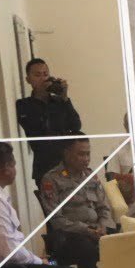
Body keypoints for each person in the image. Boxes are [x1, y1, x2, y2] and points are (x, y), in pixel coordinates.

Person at [39, 135, 114, 268]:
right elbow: (56, 219)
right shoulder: (52, 179)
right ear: (66, 153)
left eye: (88, 154)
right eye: (81, 154)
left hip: (97, 231)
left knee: (128, 240)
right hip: (68, 236)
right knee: (86, 248)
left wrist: (103, 227)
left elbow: (104, 207)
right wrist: (87, 230)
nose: (86, 159)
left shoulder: (91, 176)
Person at [15, 57, 82, 188]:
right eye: (37, 75)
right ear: (28, 80)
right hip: (44, 166)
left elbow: (76, 126)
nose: (43, 78)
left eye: (46, 74)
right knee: (53, 207)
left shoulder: (60, 102)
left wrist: (65, 97)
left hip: (67, 164)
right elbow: (36, 127)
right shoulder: (24, 105)